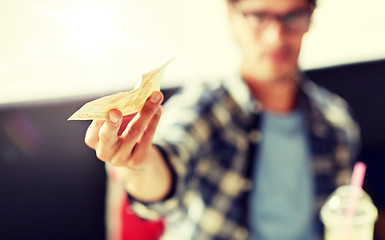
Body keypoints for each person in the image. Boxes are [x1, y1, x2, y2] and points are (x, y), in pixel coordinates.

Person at [84, 0, 360, 239]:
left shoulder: (336, 123)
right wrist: (140, 164)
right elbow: (167, 166)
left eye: (292, 16)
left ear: (310, 16)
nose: (275, 36)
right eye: (258, 17)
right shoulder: (205, 109)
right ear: (232, 14)